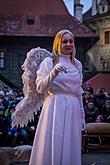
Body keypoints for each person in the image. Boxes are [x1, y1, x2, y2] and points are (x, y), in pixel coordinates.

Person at [28, 29, 85, 165]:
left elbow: (78, 92)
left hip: (73, 109)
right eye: (64, 41)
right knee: (54, 140)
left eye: (71, 41)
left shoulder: (77, 64)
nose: (68, 44)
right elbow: (40, 88)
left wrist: (82, 116)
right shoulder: (49, 62)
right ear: (57, 43)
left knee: (70, 144)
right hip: (55, 105)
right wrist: (53, 73)